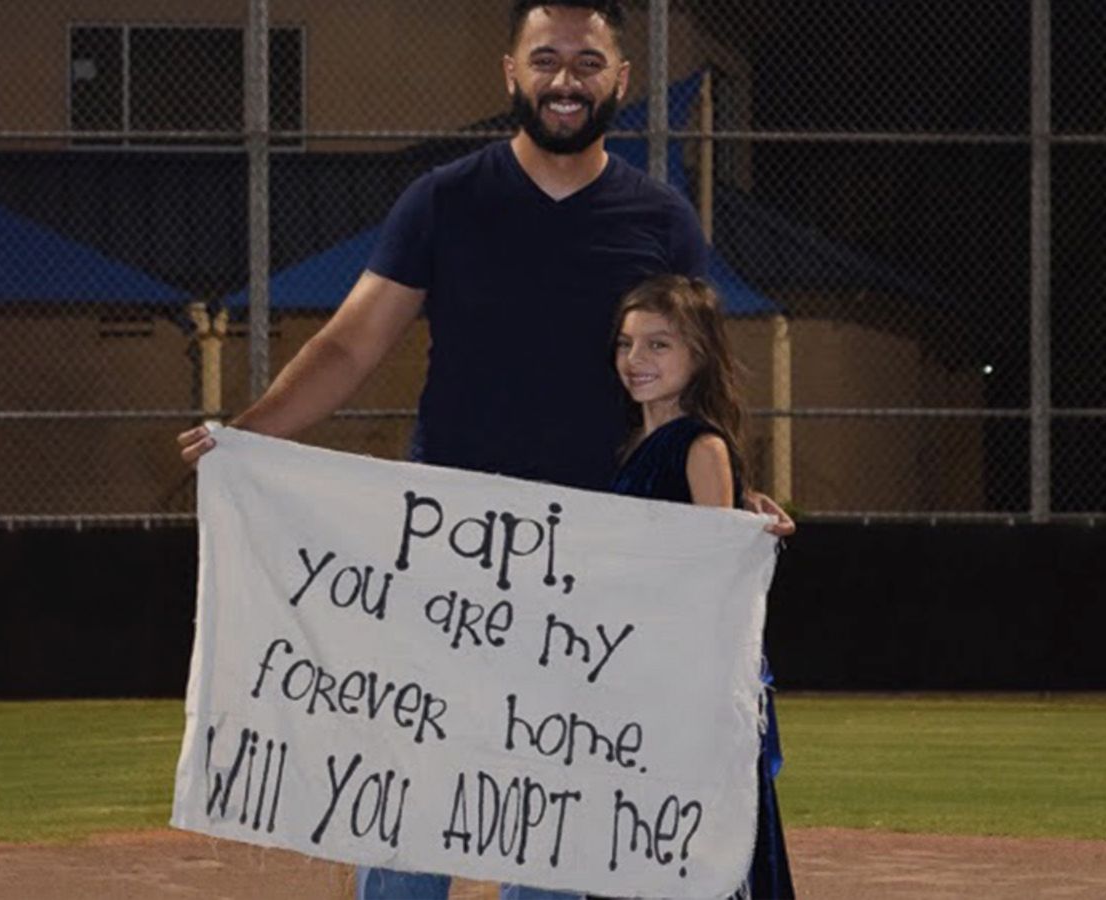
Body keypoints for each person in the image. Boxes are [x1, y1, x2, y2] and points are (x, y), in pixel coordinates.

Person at [178, 3, 793, 897]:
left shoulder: (659, 217)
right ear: (510, 71)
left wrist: (737, 503)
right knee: (411, 796)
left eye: (589, 61)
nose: (566, 79)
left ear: (621, 80)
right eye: (546, 58)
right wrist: (247, 437)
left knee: (552, 826)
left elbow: (696, 379)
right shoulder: (443, 200)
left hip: (590, 572)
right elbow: (352, 345)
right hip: (447, 558)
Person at [605, 275, 795, 900]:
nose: (636, 361)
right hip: (643, 677)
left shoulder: (698, 443)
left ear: (700, 353)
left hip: (678, 687)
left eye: (659, 345)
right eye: (627, 344)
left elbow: (711, 576)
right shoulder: (640, 444)